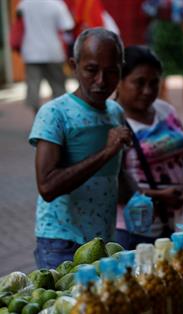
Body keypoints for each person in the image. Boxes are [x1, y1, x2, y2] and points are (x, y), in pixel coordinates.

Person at [29, 28, 131, 268]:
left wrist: (141, 200)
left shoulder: (115, 112)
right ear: (74, 65)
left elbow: (117, 174)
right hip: (62, 242)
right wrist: (106, 152)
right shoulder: (54, 113)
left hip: (103, 240)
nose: (101, 81)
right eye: (91, 70)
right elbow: (47, 186)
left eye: (111, 72)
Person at [114, 46, 183, 249]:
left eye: (154, 83)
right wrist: (160, 196)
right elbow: (114, 186)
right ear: (119, 82)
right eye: (139, 83)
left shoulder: (165, 110)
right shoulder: (112, 123)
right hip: (136, 232)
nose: (147, 91)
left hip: (178, 224)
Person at [17, 0, 74, 114]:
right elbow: (68, 25)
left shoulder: (24, 4)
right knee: (58, 87)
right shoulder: (56, 4)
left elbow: (18, 19)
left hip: (31, 52)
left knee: (33, 87)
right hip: (53, 51)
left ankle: (38, 118)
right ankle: (59, 117)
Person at [143, 0, 183, 105]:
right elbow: (147, 9)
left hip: (176, 31)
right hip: (163, 31)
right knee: (162, 64)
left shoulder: (180, 2)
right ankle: (164, 95)